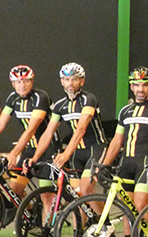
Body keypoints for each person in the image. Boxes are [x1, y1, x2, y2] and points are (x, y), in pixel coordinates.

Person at [99, 66, 148, 236]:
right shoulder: (125, 111)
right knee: (127, 209)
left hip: (147, 161)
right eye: (137, 85)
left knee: (140, 203)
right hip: (127, 162)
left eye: (144, 85)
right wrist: (104, 165)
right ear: (131, 86)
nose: (140, 89)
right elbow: (117, 141)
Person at [0, 65, 59, 196]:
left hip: (48, 149)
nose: (22, 85)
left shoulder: (40, 97)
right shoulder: (13, 98)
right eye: (18, 82)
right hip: (30, 148)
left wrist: (13, 153)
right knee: (14, 190)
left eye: (26, 81)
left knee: (46, 196)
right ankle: (28, 207)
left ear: (32, 82)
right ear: (13, 84)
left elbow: (31, 129)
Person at [29, 63, 108, 199]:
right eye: (67, 79)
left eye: (74, 79)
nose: (70, 83)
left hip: (95, 147)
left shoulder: (89, 99)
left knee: (86, 189)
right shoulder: (60, 106)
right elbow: (48, 133)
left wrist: (66, 154)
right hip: (77, 152)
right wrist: (35, 158)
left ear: (82, 81)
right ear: (62, 81)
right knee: (76, 196)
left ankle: (103, 214)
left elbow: (81, 129)